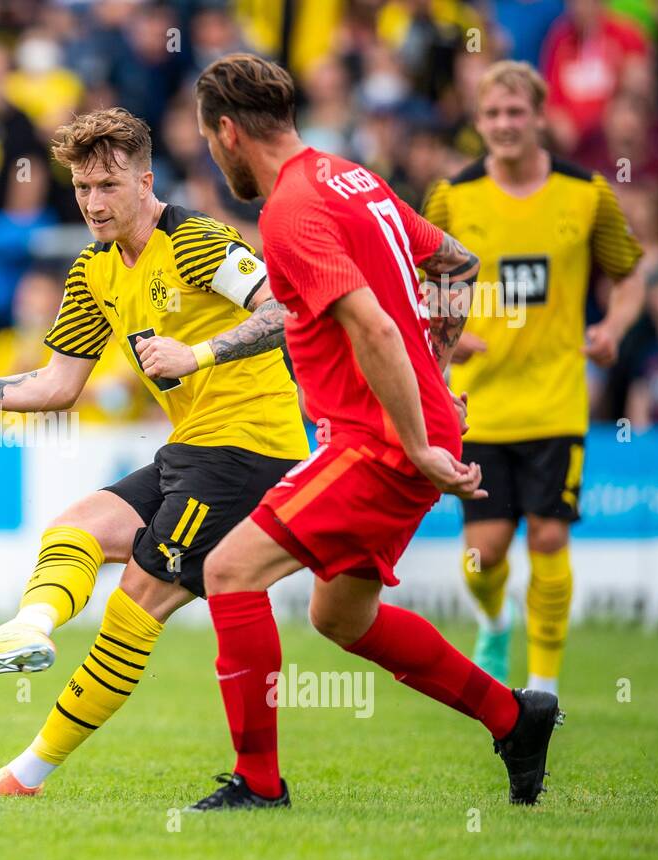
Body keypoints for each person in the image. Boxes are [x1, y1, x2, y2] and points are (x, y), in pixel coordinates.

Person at [0, 107, 308, 799]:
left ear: (146, 181)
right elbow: (57, 384)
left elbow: (285, 308)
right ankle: (29, 629)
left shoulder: (197, 240)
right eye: (82, 188)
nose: (93, 202)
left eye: (108, 185)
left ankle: (23, 778)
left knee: (135, 603)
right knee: (74, 529)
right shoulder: (92, 270)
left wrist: (197, 352)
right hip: (193, 448)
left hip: (251, 451)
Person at [182, 53, 561, 811]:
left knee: (228, 572)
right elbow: (456, 260)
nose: (215, 156)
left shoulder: (288, 210)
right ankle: (514, 717)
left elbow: (376, 327)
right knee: (340, 615)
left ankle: (259, 785)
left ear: (227, 132)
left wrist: (418, 437)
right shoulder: (349, 175)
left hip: (378, 444)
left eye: (210, 142)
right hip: (403, 431)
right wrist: (437, 378)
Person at [422, 61, 643, 693]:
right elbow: (418, 279)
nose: (504, 124)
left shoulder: (587, 192)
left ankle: (542, 688)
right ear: (479, 121)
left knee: (549, 536)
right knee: (483, 553)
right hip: (479, 405)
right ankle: (493, 622)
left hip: (556, 401)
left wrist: (612, 330)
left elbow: (627, 277)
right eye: (492, 114)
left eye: (516, 112)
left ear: (540, 117)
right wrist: (448, 332)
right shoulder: (452, 198)